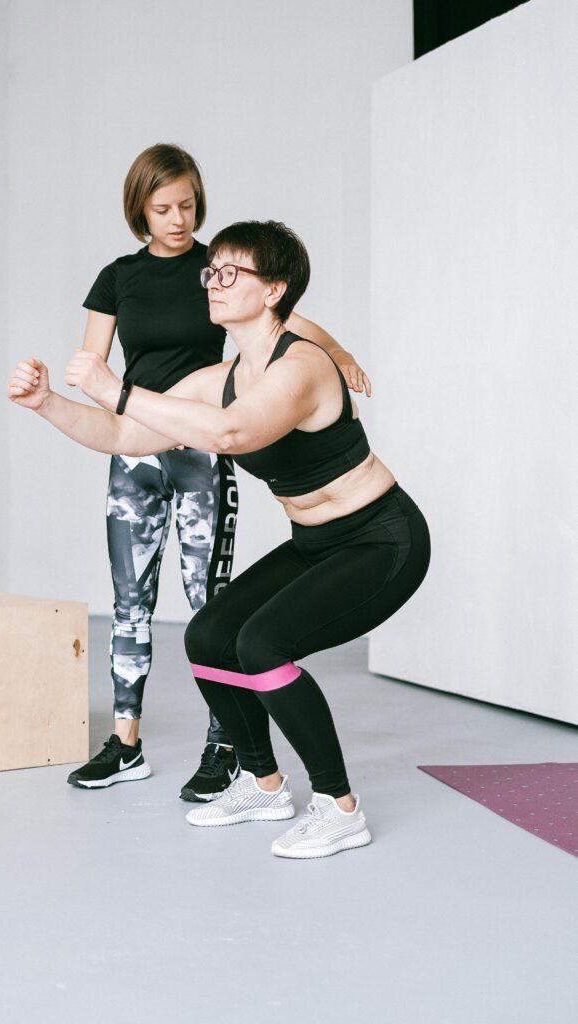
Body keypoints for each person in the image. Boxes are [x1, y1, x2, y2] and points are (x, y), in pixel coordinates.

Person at [8, 219, 429, 859]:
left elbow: (233, 435)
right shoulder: (221, 376)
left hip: (381, 541)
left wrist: (118, 387)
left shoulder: (303, 365)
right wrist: (48, 404)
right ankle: (264, 786)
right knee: (208, 637)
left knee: (262, 644)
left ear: (274, 289)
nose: (214, 282)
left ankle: (340, 807)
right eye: (213, 271)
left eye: (232, 272)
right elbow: (126, 437)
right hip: (316, 542)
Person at [67, 144, 371, 801]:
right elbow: (94, 364)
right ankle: (124, 743)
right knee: (129, 602)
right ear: (139, 210)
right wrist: (111, 412)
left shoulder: (217, 270)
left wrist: (338, 351)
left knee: (211, 607)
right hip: (137, 457)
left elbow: (282, 319)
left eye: (187, 206)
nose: (178, 219)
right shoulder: (116, 277)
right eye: (163, 208)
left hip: (204, 452)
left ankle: (225, 747)